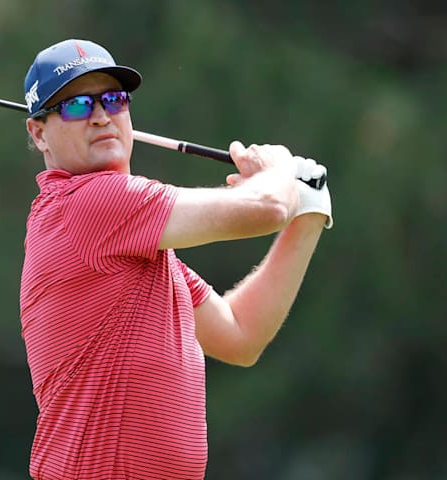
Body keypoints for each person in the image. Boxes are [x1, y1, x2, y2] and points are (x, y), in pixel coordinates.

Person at [18, 39, 333, 480]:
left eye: (114, 99)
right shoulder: (84, 205)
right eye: (76, 106)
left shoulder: (137, 252)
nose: (102, 116)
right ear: (39, 133)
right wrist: (278, 171)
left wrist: (309, 214)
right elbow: (266, 208)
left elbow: (241, 335)